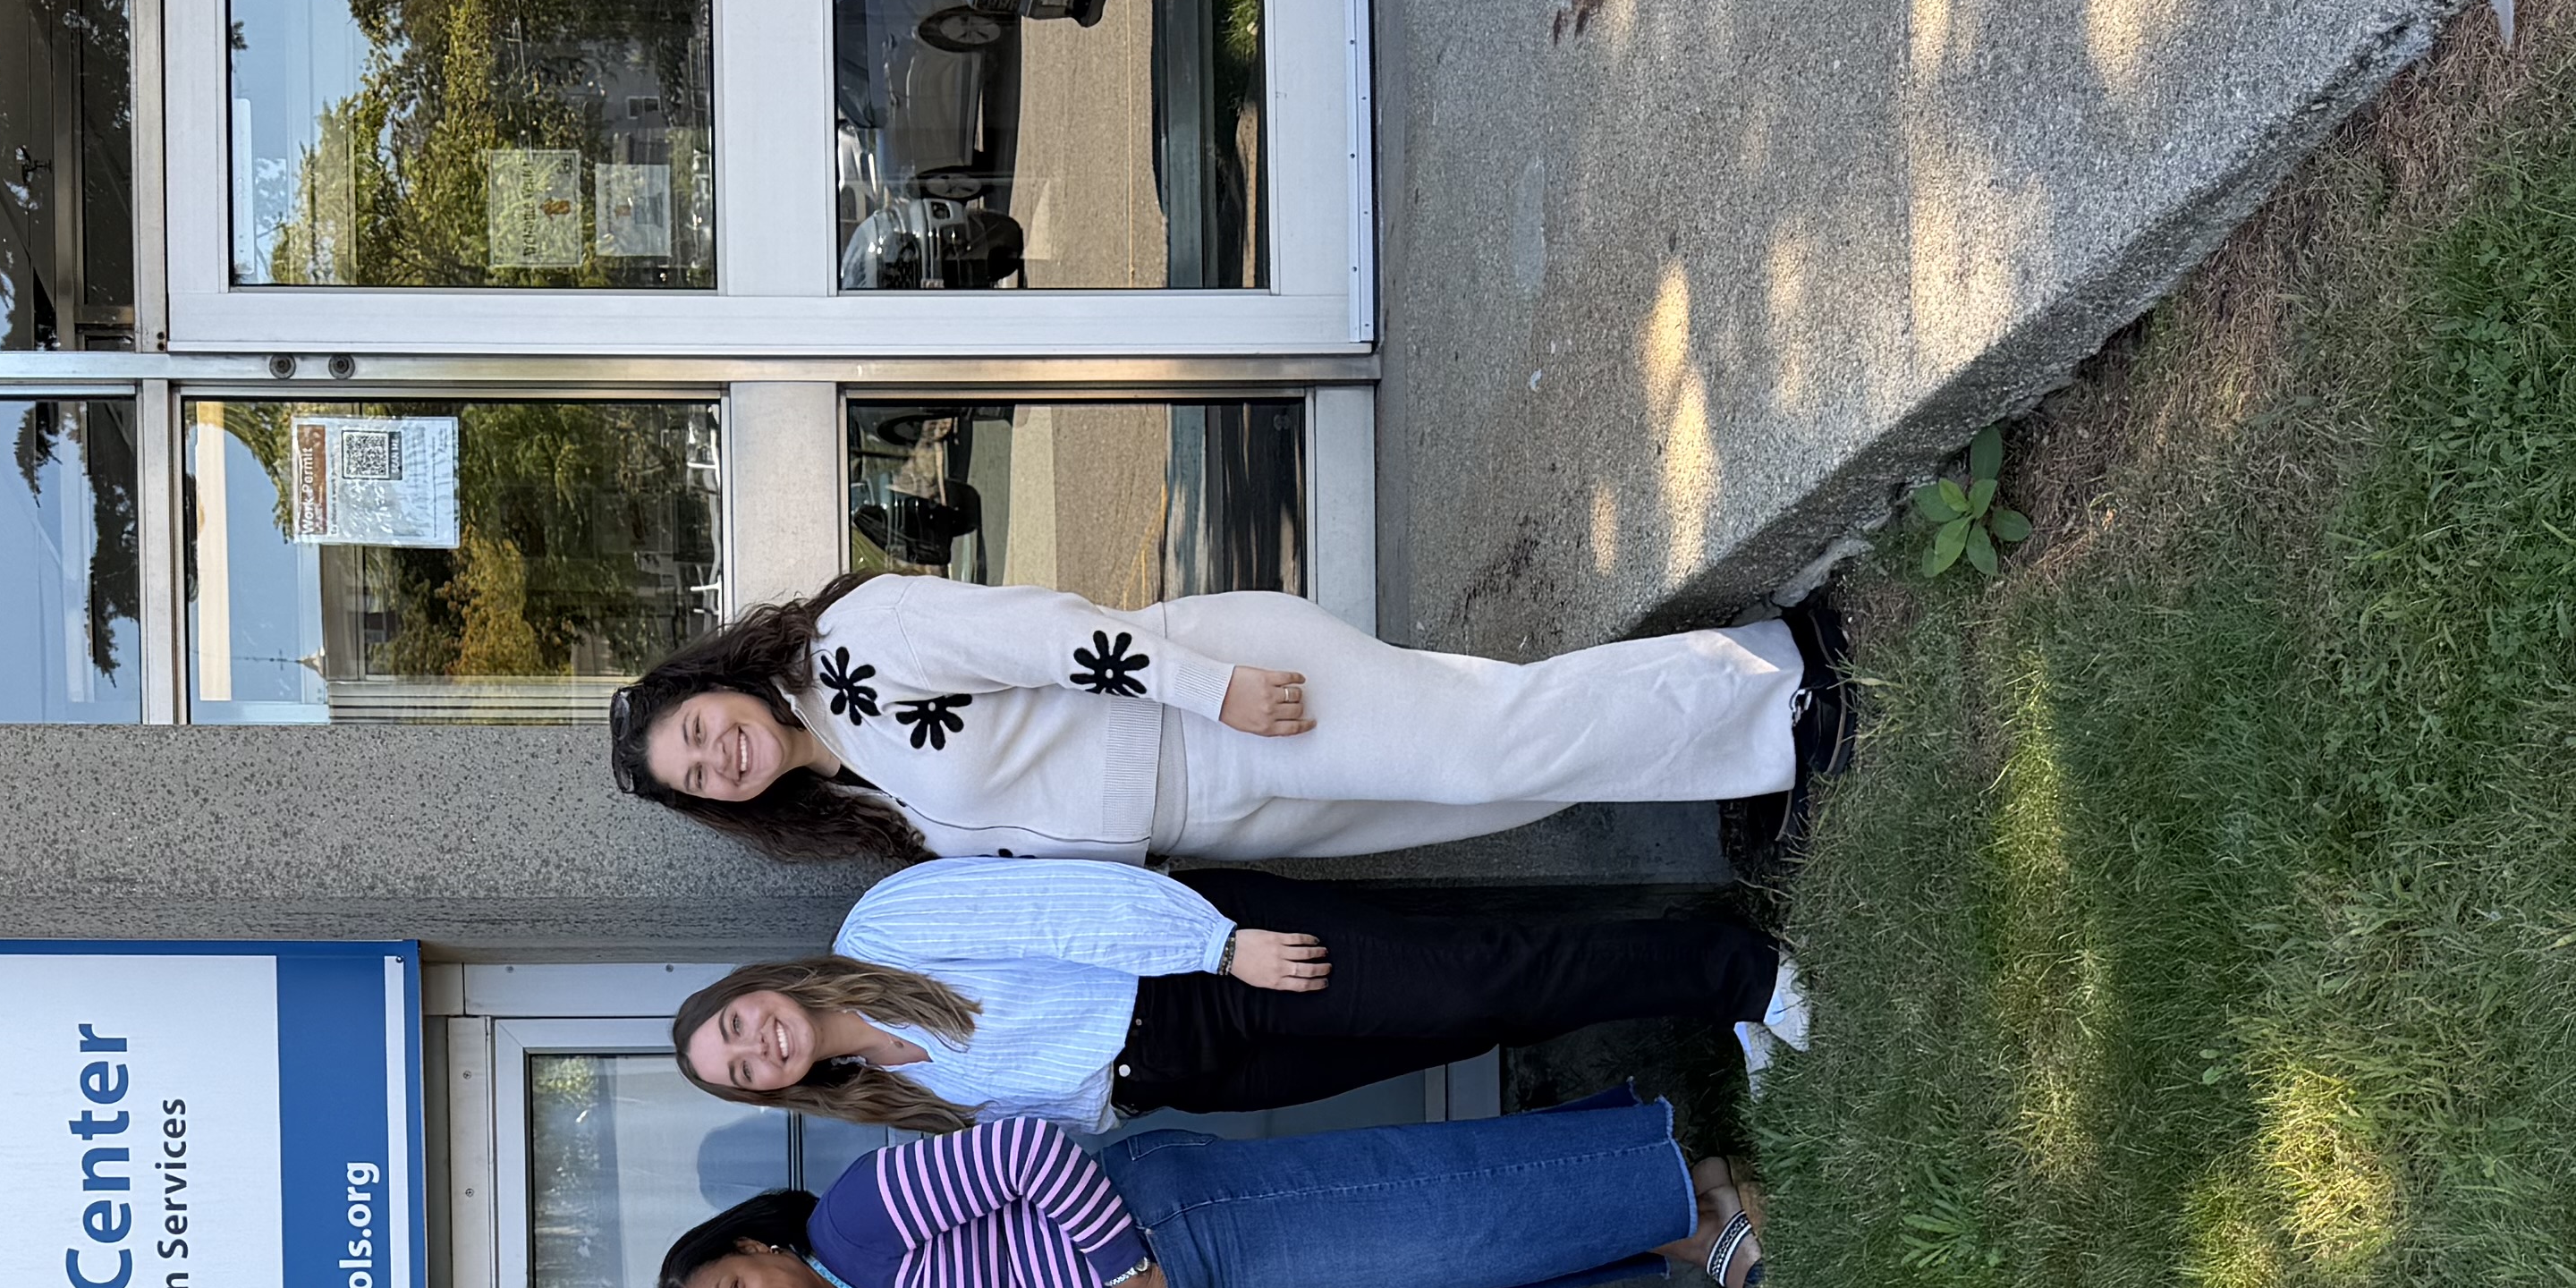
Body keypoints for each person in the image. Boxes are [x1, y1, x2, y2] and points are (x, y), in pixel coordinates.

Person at [603, 569, 1857, 870]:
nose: (719, 756)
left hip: (1218, 708)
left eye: (698, 732)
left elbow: (1044, 632)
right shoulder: (855, 798)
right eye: (702, 779)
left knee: (1487, 738)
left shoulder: (852, 646)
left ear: (713, 684)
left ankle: (1781, 685)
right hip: (1210, 816)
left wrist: (1215, 690)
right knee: (1486, 787)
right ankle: (1736, 742)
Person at [667, 859, 1814, 1136]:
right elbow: (1058, 1123)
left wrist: (1219, 946)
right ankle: (1710, 996)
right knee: (1478, 1018)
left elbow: (1059, 905)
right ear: (776, 1090)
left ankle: (1743, 968)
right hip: (1189, 1075)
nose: (755, 1046)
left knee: (1479, 972)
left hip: (1198, 970)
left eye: (734, 1026)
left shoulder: (881, 928)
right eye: (743, 1071)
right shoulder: (880, 1098)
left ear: (750, 989)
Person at [658, 1092, 1772, 1288]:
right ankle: (1684, 1211)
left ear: (757, 1248)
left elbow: (1020, 1157)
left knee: (1437, 1218)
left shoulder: (854, 1222)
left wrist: (1130, 1273)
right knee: (1441, 1271)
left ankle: (1697, 1203)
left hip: (1175, 1228)